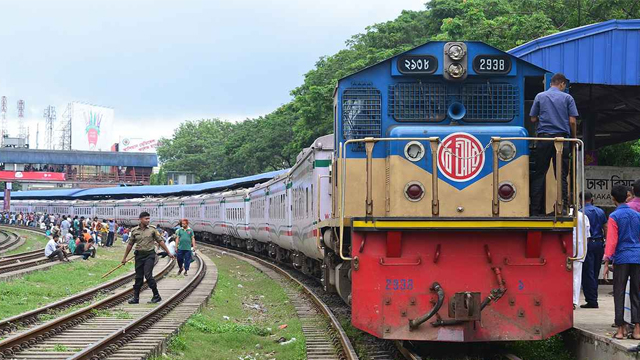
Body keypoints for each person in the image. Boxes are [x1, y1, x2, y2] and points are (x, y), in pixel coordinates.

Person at [529, 73, 578, 216]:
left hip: (544, 139)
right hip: (562, 140)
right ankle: (562, 208)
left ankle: (535, 210)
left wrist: (542, 118)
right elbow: (573, 121)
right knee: (561, 175)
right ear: (562, 84)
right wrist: (573, 139)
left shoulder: (540, 96)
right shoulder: (568, 98)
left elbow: (532, 118)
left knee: (539, 174)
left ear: (551, 83)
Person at [603, 185, 640, 340]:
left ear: (613, 199)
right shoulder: (637, 215)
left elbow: (612, 241)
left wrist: (606, 260)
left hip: (622, 258)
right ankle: (637, 330)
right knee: (637, 293)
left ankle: (620, 329)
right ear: (627, 196)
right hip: (637, 257)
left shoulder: (614, 217)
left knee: (618, 292)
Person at [121, 212, 174, 304]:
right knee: (138, 277)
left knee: (148, 275)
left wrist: (168, 252)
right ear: (140, 219)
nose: (148, 220)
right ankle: (136, 298)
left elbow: (160, 241)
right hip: (139, 256)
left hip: (149, 255)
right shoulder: (134, 231)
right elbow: (130, 244)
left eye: (149, 219)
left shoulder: (152, 230)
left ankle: (156, 295)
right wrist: (124, 258)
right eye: (146, 219)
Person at [580, 191, 608, 309]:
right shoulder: (600, 211)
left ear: (580, 199)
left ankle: (592, 300)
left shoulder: (580, 213)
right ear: (592, 198)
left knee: (588, 272)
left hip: (588, 244)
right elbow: (605, 227)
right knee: (595, 272)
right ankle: (593, 297)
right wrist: (606, 241)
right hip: (599, 244)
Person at [573, 209, 590, 309]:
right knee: (576, 276)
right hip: (579, 250)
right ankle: (574, 301)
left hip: (565, 248)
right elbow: (587, 235)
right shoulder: (583, 217)